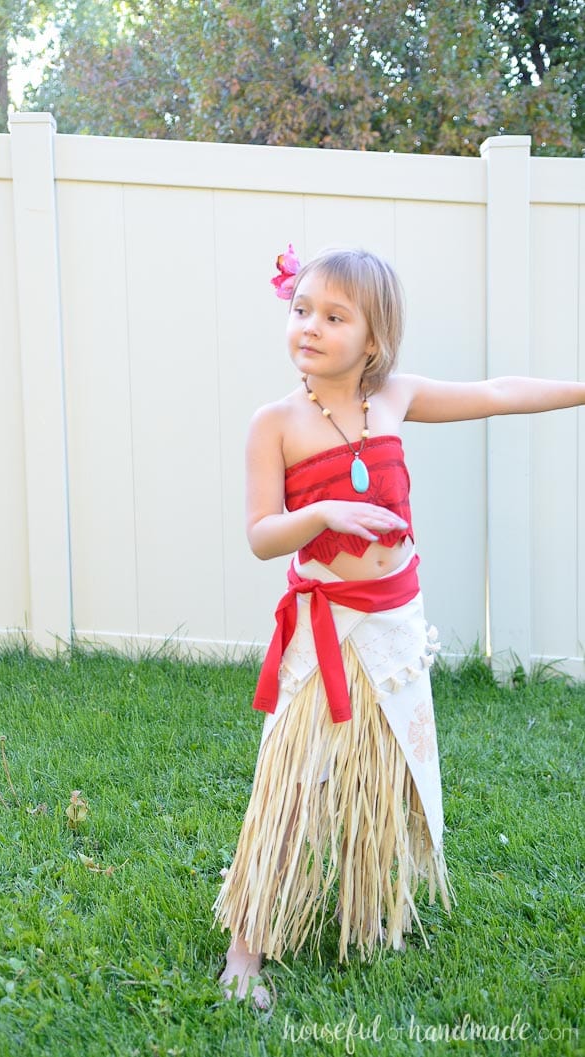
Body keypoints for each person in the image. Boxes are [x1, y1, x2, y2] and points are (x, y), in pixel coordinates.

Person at [212, 244, 585, 1010]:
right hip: (325, 636)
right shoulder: (274, 423)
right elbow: (260, 534)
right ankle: (244, 949)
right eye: (300, 309)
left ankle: (364, 908)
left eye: (333, 315)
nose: (309, 326)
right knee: (291, 781)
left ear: (374, 339)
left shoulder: (394, 399)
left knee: (388, 776)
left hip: (394, 628)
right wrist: (320, 513)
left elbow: (498, 392)